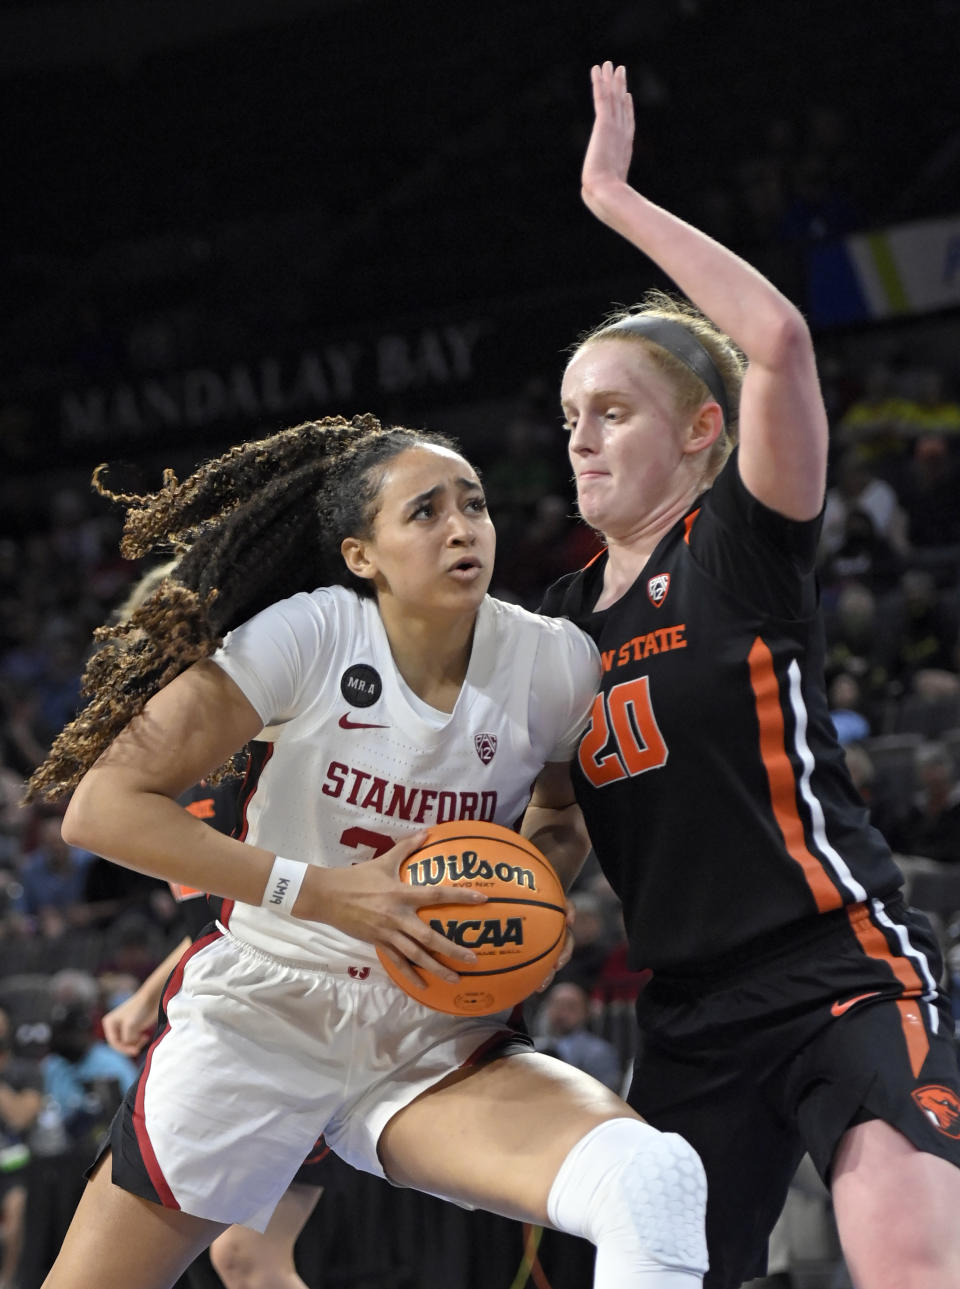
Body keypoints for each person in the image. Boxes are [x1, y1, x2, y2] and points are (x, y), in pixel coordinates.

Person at [27, 412, 708, 1289]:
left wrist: (533, 898)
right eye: (424, 511)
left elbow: (559, 809)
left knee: (652, 1182)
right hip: (265, 1012)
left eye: (475, 504)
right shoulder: (308, 636)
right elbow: (103, 809)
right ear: (361, 555)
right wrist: (327, 894)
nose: (462, 526)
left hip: (432, 1020)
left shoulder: (555, 663)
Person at [541, 63, 960, 1289]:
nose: (579, 434)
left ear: (701, 431)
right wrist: (506, 898)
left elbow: (775, 339)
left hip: (837, 960)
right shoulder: (551, 630)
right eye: (569, 413)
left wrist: (612, 196)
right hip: (684, 1011)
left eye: (612, 409)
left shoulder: (739, 542)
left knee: (905, 1249)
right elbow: (558, 817)